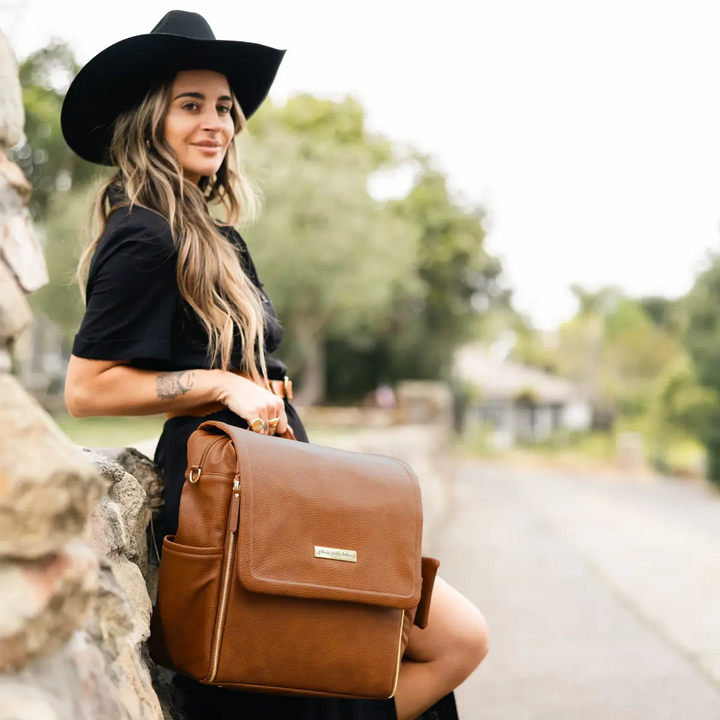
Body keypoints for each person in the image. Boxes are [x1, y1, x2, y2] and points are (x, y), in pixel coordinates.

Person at [61, 11, 488, 720]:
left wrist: (260, 382)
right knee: (439, 642)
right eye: (190, 105)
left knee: (400, 650)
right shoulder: (142, 232)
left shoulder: (215, 234)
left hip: (279, 479)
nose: (216, 123)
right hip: (226, 490)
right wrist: (222, 383)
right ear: (148, 120)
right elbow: (86, 387)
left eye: (225, 108)